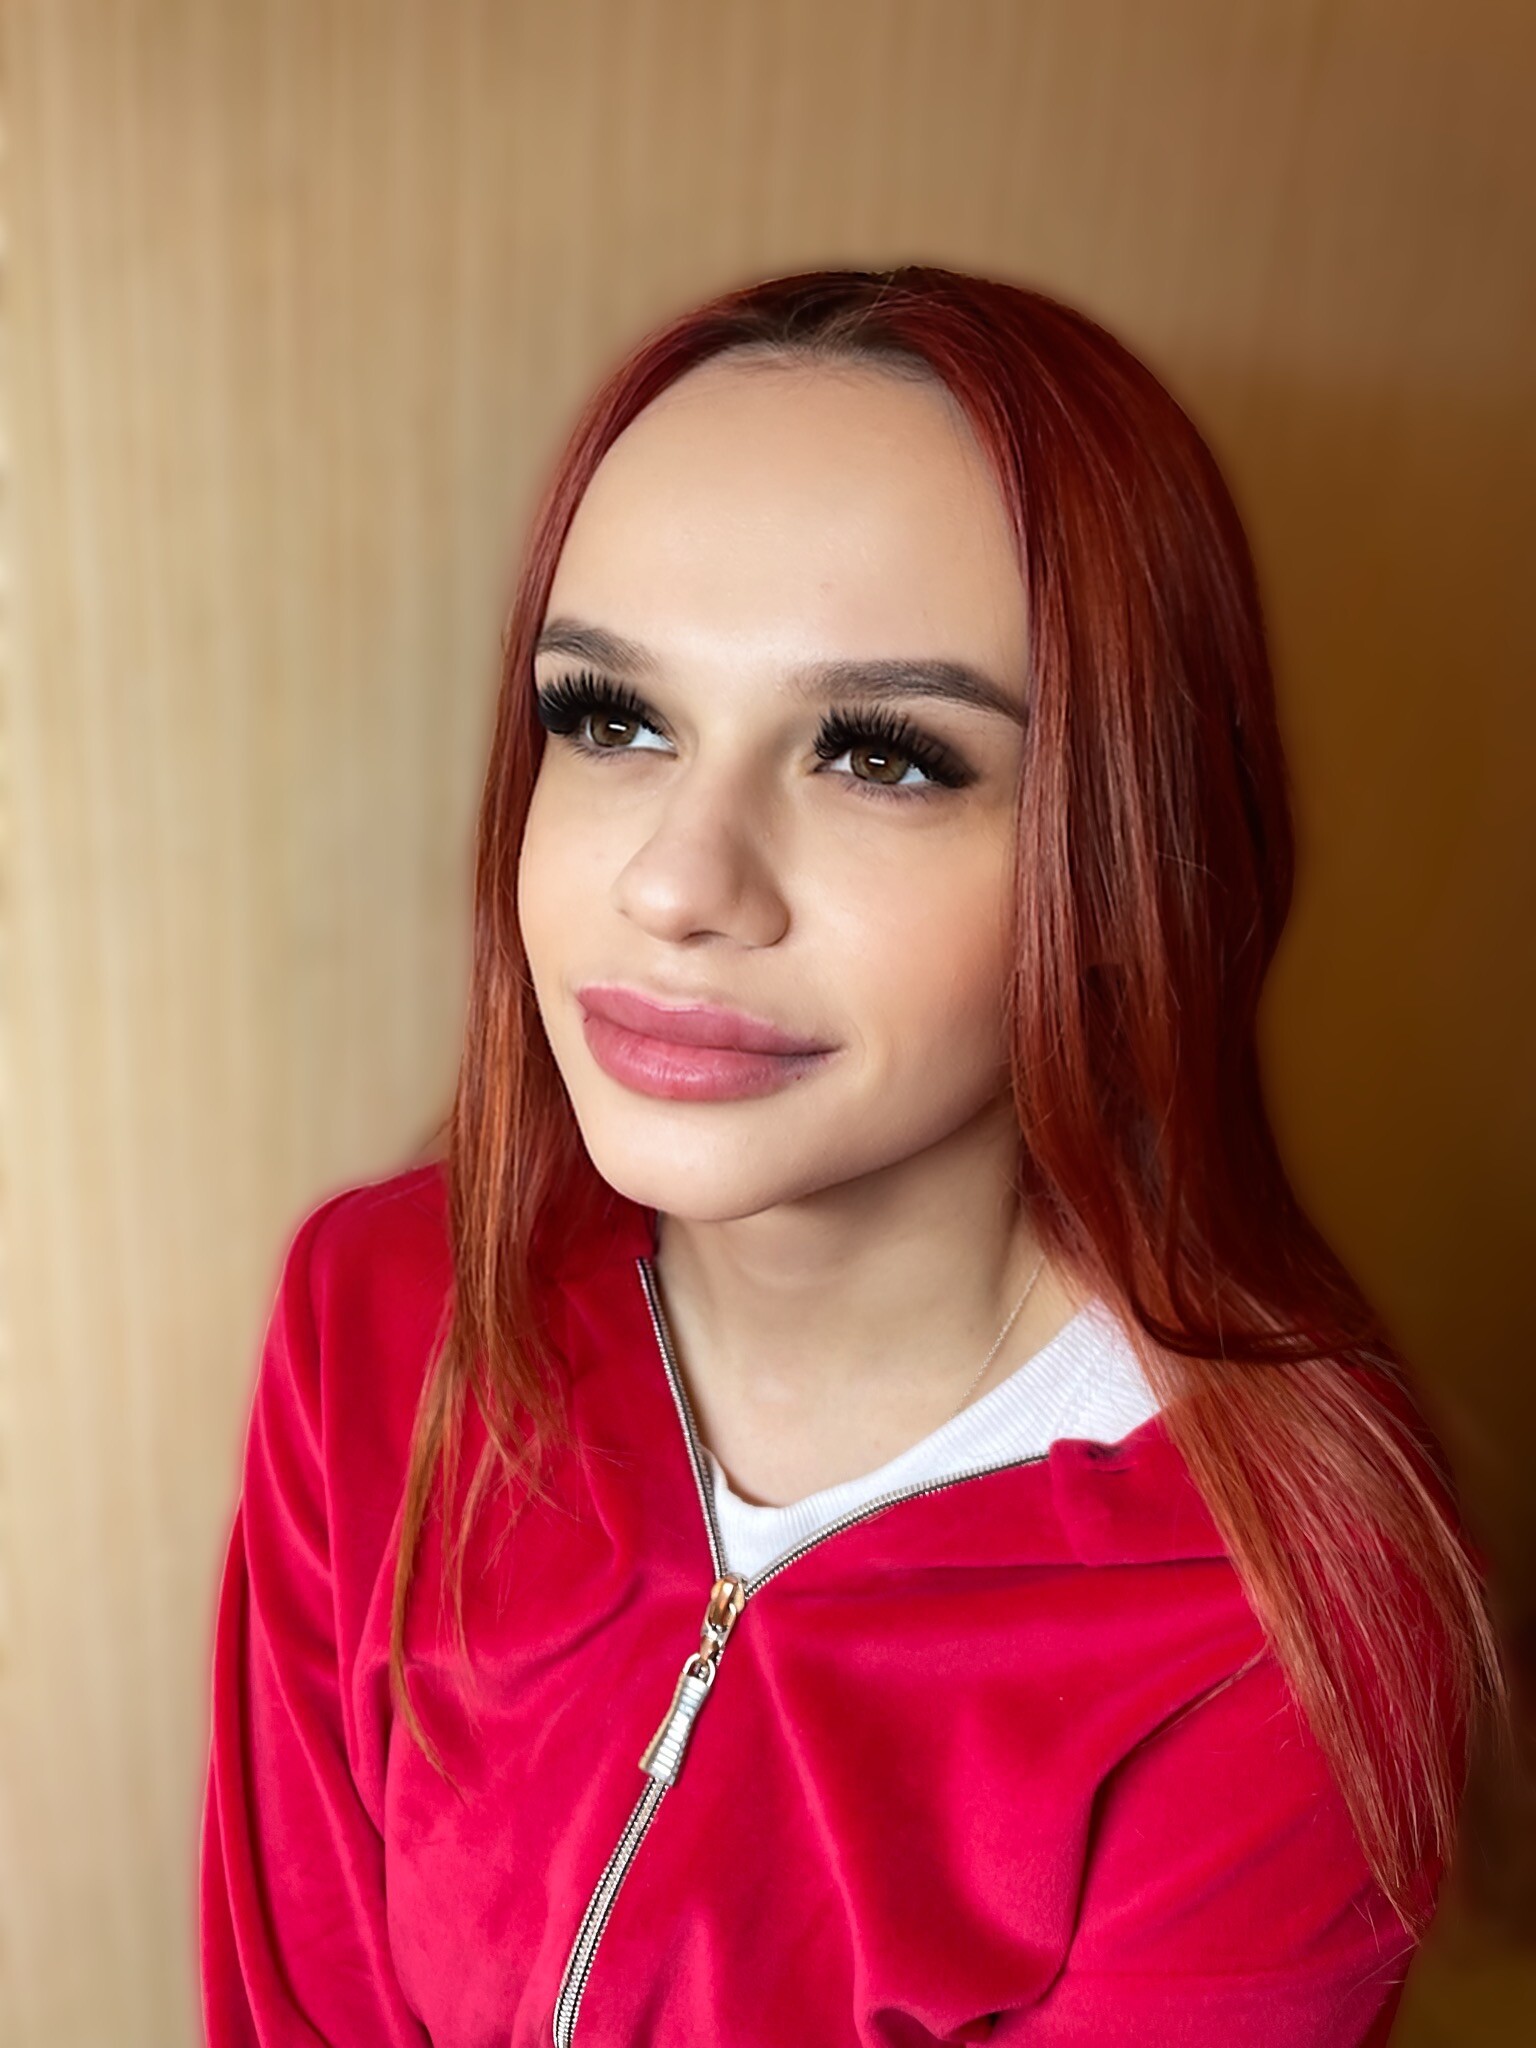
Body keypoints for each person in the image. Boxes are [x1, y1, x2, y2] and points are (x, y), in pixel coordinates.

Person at [198, 267, 1508, 2047]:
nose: (678, 881)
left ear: (1130, 858)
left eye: (884, 756)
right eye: (612, 718)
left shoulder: (1289, 1612)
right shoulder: (379, 1314)